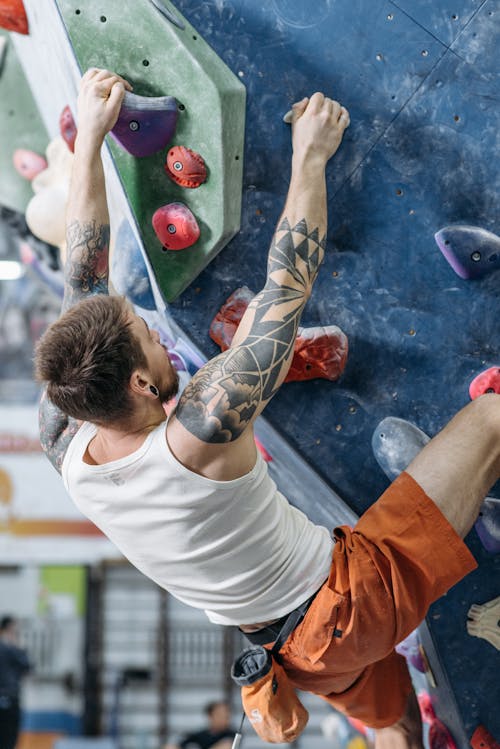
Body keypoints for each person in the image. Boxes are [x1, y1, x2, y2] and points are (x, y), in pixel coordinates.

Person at [34, 68, 495, 748]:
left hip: (294, 655)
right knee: (489, 420)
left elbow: (83, 271)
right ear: (136, 383)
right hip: (351, 600)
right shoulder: (201, 427)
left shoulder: (65, 432)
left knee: (396, 724)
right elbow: (287, 282)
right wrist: (312, 151)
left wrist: (93, 136)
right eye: (147, 340)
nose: (158, 335)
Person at [0, 616, 30, 749]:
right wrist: (18, 646)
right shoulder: (11, 649)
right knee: (9, 738)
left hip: (10, 697)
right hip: (10, 698)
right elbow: (27, 666)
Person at [165, 701, 234, 749]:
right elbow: (175, 746)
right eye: (220, 715)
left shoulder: (231, 734)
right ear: (210, 716)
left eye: (227, 715)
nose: (225, 718)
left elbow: (227, 746)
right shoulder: (200, 735)